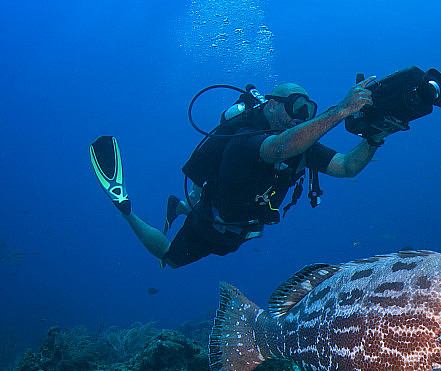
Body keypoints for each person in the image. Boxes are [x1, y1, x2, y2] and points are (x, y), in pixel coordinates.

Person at [90, 76, 385, 268]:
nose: (301, 115)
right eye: (296, 106)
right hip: (211, 223)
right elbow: (280, 148)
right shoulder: (245, 137)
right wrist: (340, 110)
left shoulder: (302, 146)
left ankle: (179, 206)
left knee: (199, 215)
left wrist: (375, 136)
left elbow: (347, 166)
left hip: (241, 231)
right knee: (169, 257)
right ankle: (125, 207)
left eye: (309, 109)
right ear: (271, 105)